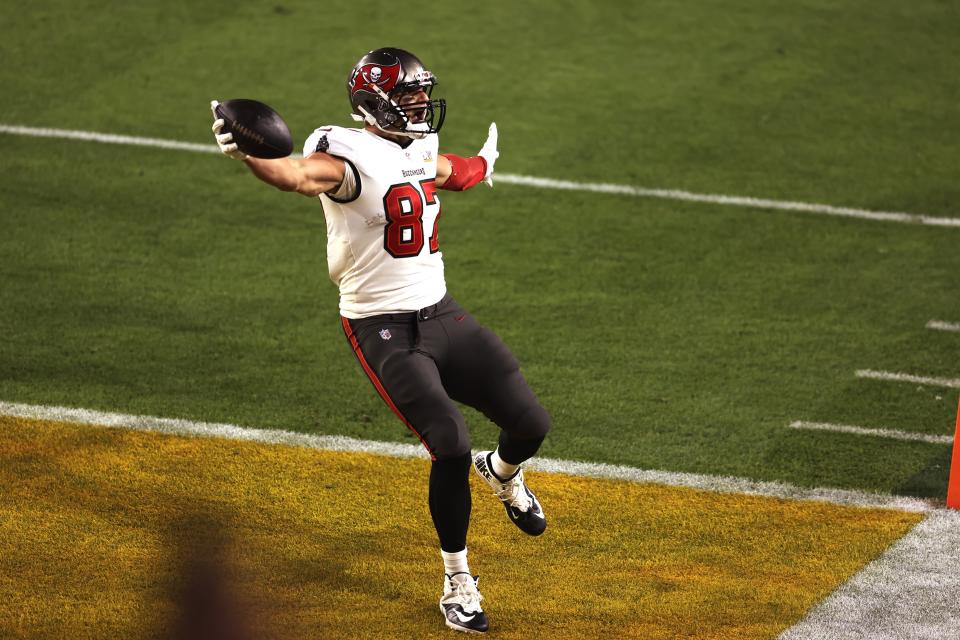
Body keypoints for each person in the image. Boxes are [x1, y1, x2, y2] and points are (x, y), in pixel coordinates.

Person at [210, 47, 551, 634]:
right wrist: (251, 153)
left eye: (423, 92)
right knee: (448, 443)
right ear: (373, 102)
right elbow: (294, 174)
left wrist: (480, 166)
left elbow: (445, 170)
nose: (421, 102)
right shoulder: (343, 156)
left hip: (442, 311)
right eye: (410, 94)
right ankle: (457, 580)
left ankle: (499, 472)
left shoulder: (415, 145)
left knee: (531, 424)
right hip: (382, 326)